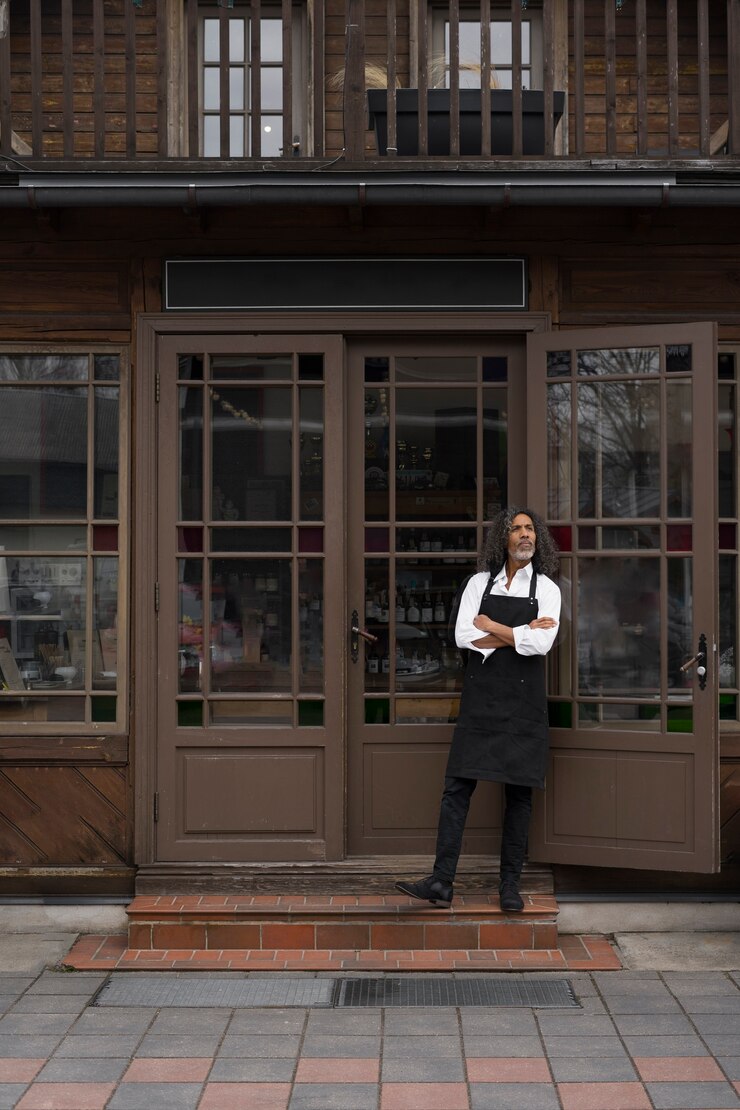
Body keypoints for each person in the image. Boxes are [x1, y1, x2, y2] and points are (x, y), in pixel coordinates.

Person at [395, 507, 561, 913]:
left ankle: (509, 887)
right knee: (456, 790)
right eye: (516, 530)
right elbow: (463, 636)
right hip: (481, 701)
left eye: (530, 529)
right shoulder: (477, 583)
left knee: (519, 796)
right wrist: (517, 634)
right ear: (502, 540)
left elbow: (542, 645)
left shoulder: (548, 589)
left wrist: (495, 627)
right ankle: (441, 881)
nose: (525, 536)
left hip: (523, 706)